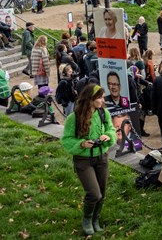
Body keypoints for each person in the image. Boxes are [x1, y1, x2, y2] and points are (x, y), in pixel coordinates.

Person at [61, 84, 116, 235]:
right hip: (83, 160)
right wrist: (82, 144)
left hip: (101, 157)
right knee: (94, 193)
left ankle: (95, 219)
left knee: (102, 192)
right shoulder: (74, 117)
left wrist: (108, 136)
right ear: (90, 99)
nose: (103, 100)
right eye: (100, 97)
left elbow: (111, 129)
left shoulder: (103, 113)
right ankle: (87, 219)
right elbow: (66, 140)